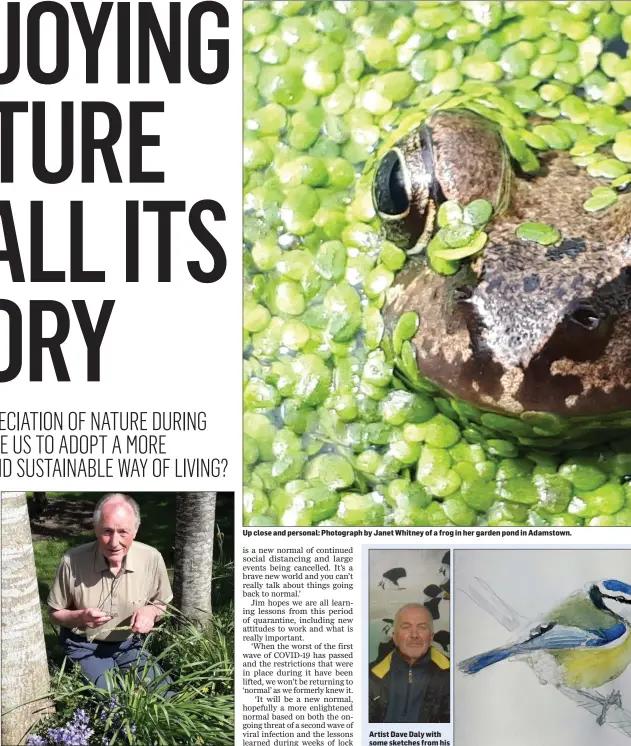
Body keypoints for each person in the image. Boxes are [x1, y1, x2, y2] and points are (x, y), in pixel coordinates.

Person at [47, 493, 173, 694]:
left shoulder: (151, 558)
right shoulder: (72, 561)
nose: (114, 542)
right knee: (113, 699)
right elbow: (54, 613)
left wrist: (151, 612)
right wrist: (80, 617)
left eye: (123, 532)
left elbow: (162, 603)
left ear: (136, 530)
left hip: (130, 645)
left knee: (165, 694)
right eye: (107, 531)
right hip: (85, 647)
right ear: (96, 529)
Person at [369, 603, 450, 723]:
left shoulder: (452, 676)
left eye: (422, 627)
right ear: (395, 637)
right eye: (406, 627)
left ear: (431, 637)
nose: (414, 635)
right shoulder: (369, 677)